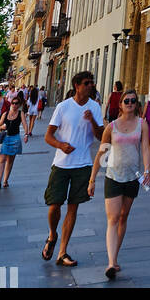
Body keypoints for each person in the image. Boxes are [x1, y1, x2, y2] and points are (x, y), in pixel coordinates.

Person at [88, 88, 150, 281]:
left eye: (133, 101)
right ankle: (110, 262)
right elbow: (101, 153)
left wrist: (147, 170)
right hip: (113, 176)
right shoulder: (111, 127)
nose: (130, 103)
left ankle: (115, 257)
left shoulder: (142, 124)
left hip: (132, 177)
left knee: (123, 217)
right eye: (126, 101)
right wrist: (92, 179)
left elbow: (145, 148)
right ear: (120, 104)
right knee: (113, 218)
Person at [42, 70, 104, 267]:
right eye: (86, 83)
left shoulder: (95, 107)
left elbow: (101, 136)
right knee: (54, 205)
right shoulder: (63, 107)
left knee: (73, 207)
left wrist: (92, 120)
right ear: (77, 85)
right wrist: (61, 145)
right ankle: (52, 235)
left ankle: (62, 252)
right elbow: (48, 135)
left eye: (91, 83)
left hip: (83, 164)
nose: (90, 86)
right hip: (61, 163)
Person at [0, 93, 29, 188]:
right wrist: (2, 127)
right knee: (1, 159)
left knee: (9, 161)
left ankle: (5, 181)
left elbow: (25, 124)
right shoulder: (5, 114)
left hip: (15, 138)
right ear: (11, 104)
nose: (14, 105)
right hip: (5, 138)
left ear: (19, 104)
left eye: (16, 103)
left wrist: (26, 134)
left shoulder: (20, 113)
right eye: (13, 103)